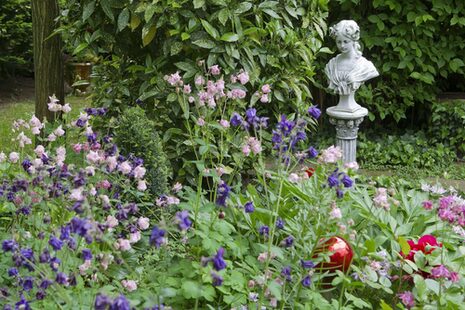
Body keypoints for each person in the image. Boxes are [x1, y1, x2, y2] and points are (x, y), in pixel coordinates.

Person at [325, 20, 379, 97]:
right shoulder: (331, 65)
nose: (342, 45)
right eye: (339, 42)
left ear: (353, 41)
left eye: (346, 41)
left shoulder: (365, 66)